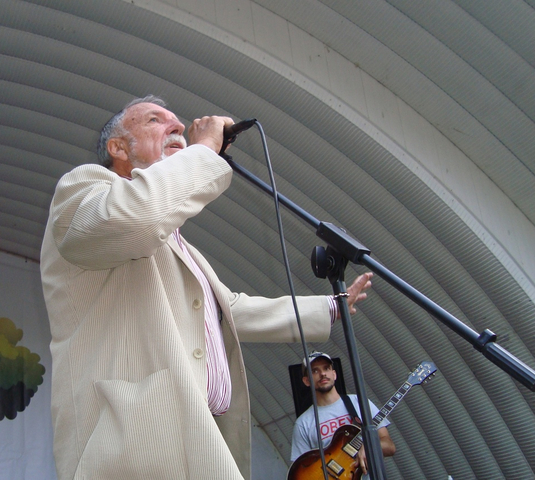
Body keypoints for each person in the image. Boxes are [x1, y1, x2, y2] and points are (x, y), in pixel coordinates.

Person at [40, 95, 374, 480]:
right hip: (134, 443)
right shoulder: (84, 190)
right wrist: (203, 150)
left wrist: (330, 306)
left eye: (176, 121)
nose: (177, 126)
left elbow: (230, 310)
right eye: (154, 120)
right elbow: (136, 218)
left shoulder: (185, 252)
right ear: (118, 148)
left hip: (197, 435)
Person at [290, 352, 395, 478]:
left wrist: (369, 448)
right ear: (306, 381)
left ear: (334, 374)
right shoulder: (303, 423)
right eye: (315, 371)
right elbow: (299, 472)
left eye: (326, 368)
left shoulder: (360, 403)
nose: (323, 374)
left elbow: (390, 446)